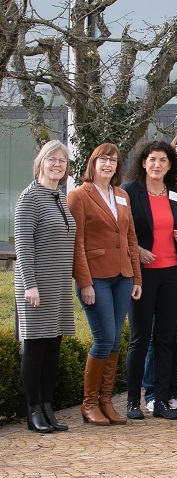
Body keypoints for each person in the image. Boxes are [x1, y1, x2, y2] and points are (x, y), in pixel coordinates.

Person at [68, 143, 142, 426]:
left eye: (113, 160)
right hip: (95, 277)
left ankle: (106, 401)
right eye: (103, 159)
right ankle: (89, 404)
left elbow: (130, 239)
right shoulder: (79, 195)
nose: (108, 164)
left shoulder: (121, 195)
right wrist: (84, 282)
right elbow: (77, 243)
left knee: (113, 340)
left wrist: (137, 277)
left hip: (122, 275)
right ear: (93, 162)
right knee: (103, 339)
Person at [122, 140, 177, 420]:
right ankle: (133, 401)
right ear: (143, 163)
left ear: (170, 164)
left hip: (172, 272)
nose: (157, 165)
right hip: (142, 274)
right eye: (152, 160)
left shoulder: (175, 193)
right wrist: (137, 250)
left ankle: (160, 400)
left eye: (163, 160)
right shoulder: (128, 193)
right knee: (139, 339)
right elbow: (120, 231)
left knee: (165, 339)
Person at [15, 140, 77, 433]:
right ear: (40, 162)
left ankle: (48, 408)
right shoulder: (29, 198)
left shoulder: (59, 197)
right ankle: (33, 411)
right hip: (37, 286)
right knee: (36, 348)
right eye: (52, 159)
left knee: (53, 346)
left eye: (62, 161)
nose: (57, 165)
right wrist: (30, 285)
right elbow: (24, 246)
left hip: (59, 285)